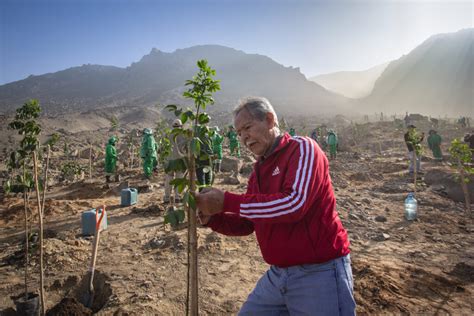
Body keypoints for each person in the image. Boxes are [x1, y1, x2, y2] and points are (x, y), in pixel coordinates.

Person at [196, 97, 355, 315]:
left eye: (247, 128)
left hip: (320, 272)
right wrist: (213, 219)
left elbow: (294, 204)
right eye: (239, 133)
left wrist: (227, 201)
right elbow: (247, 223)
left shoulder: (303, 149)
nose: (243, 137)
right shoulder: (258, 171)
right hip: (279, 274)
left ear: (270, 120)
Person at [164, 119, 186, 203]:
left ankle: (167, 197)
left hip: (169, 161)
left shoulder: (168, 134)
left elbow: (164, 147)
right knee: (179, 178)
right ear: (181, 125)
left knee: (169, 179)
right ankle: (178, 197)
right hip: (180, 160)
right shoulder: (183, 134)